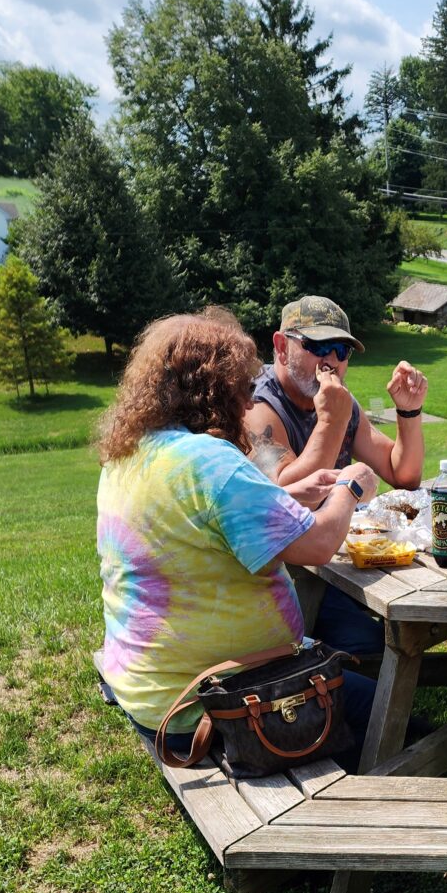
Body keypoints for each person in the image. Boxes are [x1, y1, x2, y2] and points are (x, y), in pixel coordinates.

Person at [97, 309, 379, 758]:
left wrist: (289, 494)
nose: (249, 404)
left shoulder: (132, 454)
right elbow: (321, 545)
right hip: (211, 705)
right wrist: (352, 485)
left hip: (150, 691)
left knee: (360, 685)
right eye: (245, 389)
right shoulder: (210, 461)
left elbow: (211, 519)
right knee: (392, 719)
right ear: (215, 389)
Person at [245, 295, 429, 656]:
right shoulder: (258, 406)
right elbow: (286, 494)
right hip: (289, 576)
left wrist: (409, 412)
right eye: (317, 346)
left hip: (341, 560)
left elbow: (402, 474)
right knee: (372, 646)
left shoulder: (336, 401)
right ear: (281, 347)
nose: (330, 361)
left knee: (423, 610)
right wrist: (332, 421)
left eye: (342, 351)